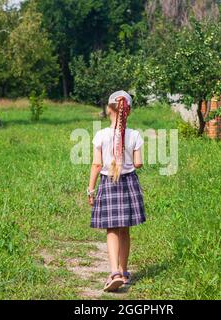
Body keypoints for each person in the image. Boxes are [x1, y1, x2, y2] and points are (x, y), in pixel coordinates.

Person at [87, 90, 146, 292]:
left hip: (108, 182)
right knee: (124, 229)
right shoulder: (135, 135)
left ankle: (114, 272)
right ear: (127, 111)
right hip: (129, 183)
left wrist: (90, 190)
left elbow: (96, 165)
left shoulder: (101, 135)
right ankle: (124, 270)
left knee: (111, 229)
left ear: (110, 108)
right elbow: (138, 163)